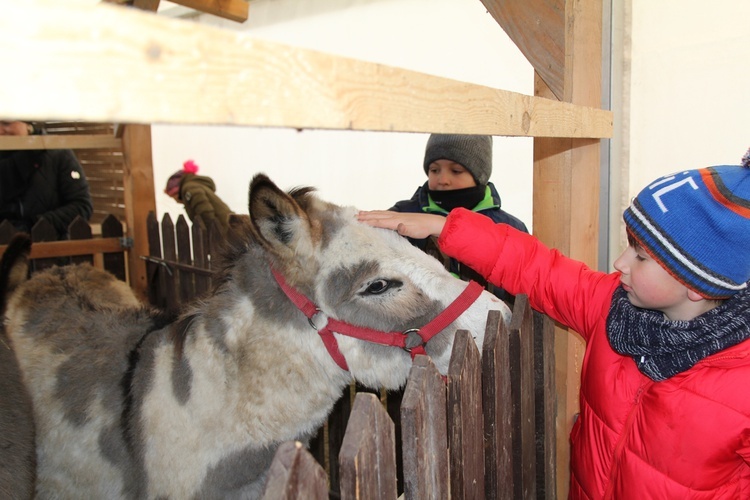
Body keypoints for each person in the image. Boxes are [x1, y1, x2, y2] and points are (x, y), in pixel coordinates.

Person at [359, 149, 750, 498]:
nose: (620, 264)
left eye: (641, 256)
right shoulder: (611, 306)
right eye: (628, 244)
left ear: (696, 283)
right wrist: (446, 228)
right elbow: (537, 268)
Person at [390, 133, 528, 301]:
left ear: (480, 176)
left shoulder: (507, 227)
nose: (443, 179)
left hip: (487, 323)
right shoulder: (403, 215)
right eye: (434, 170)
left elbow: (522, 288)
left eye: (456, 171)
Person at [0, 120, 93, 239]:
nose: (1, 130)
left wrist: (36, 225)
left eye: (6, 123)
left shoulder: (57, 154)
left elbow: (82, 206)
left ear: (28, 124)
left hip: (50, 251)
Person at [164, 159, 233, 235]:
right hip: (228, 226)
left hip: (224, 230)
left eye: (173, 196)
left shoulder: (190, 189)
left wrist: (211, 232)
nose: (176, 201)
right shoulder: (193, 186)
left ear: (177, 191)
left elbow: (204, 210)